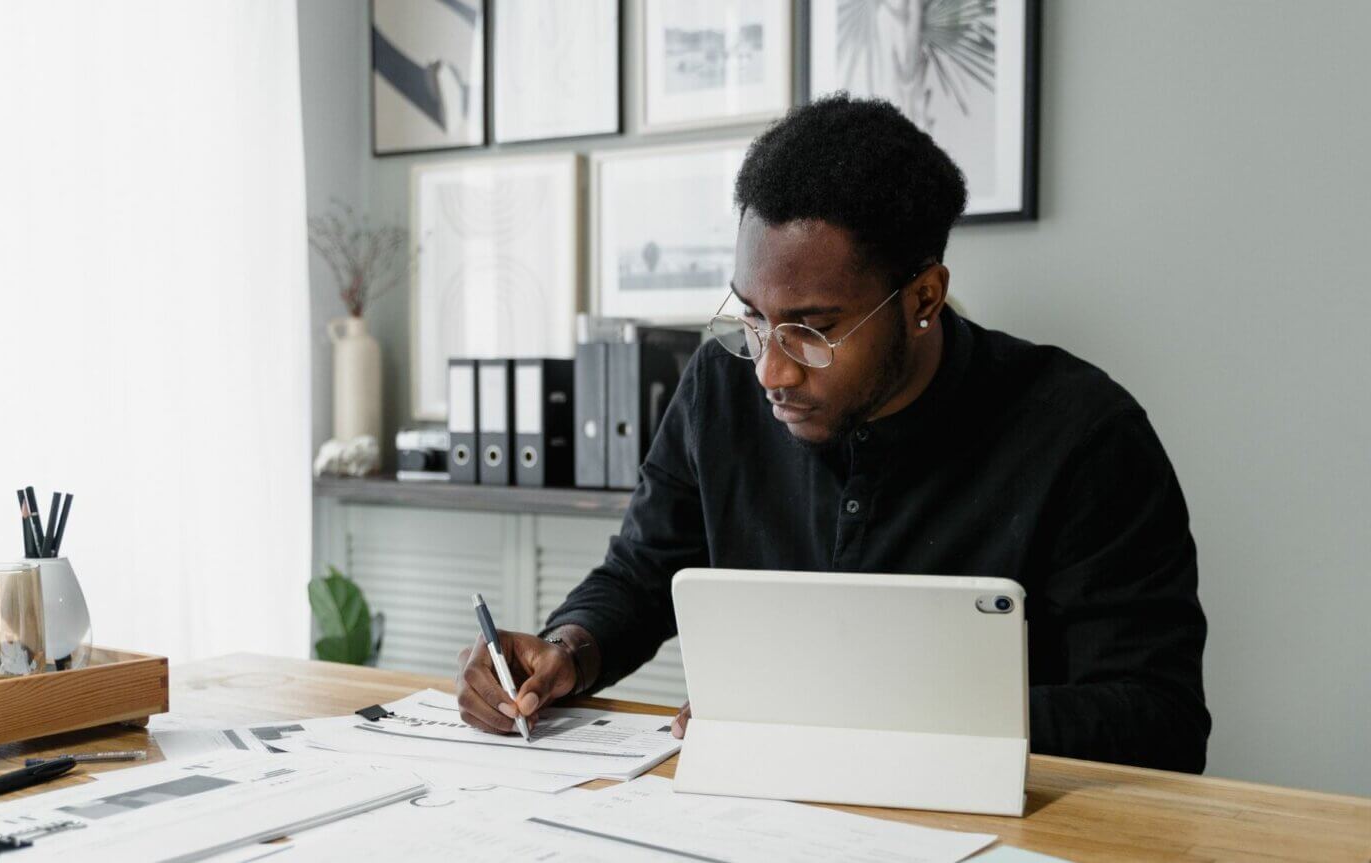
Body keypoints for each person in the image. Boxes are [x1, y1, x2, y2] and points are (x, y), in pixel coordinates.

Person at [454, 96, 1210, 773]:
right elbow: (641, 575)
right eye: (751, 318)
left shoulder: (1084, 435)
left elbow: (1159, 720)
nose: (770, 372)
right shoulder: (720, 385)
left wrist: (850, 719)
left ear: (923, 297)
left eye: (811, 331)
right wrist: (570, 648)